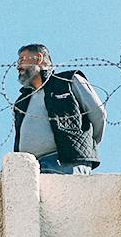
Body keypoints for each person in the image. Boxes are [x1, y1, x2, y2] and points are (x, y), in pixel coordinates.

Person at [10, 44, 107, 173]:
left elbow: (97, 113)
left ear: (39, 58)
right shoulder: (22, 101)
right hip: (30, 169)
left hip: (65, 162)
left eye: (22, 59)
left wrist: (86, 143)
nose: (18, 66)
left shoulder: (67, 81)